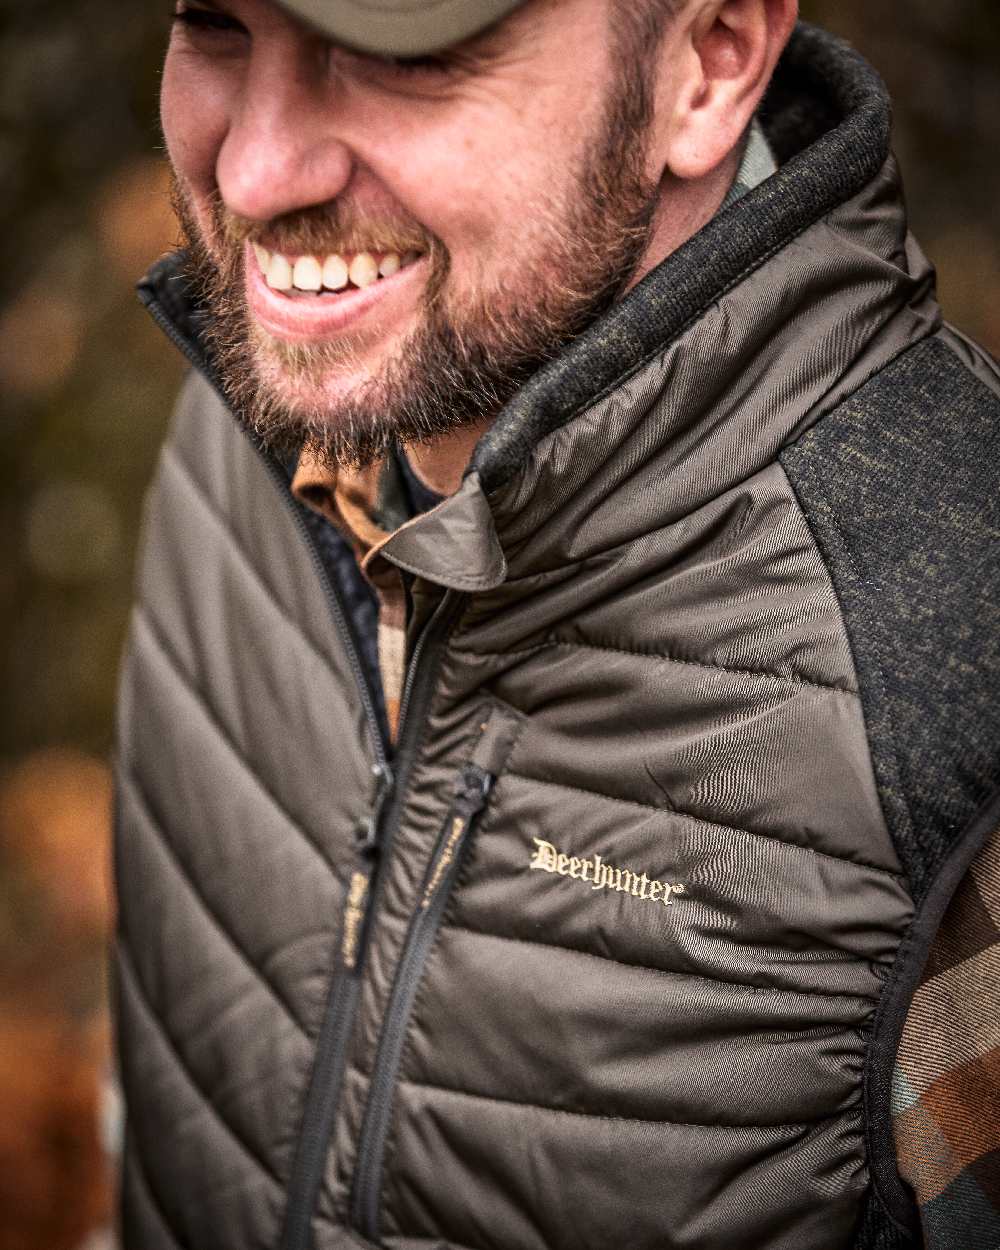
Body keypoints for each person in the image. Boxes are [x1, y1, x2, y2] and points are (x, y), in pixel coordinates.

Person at [114, 0, 1000, 1247]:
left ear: (708, 61)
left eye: (398, 55)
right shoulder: (254, 414)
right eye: (211, 23)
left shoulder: (948, 692)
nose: (255, 170)